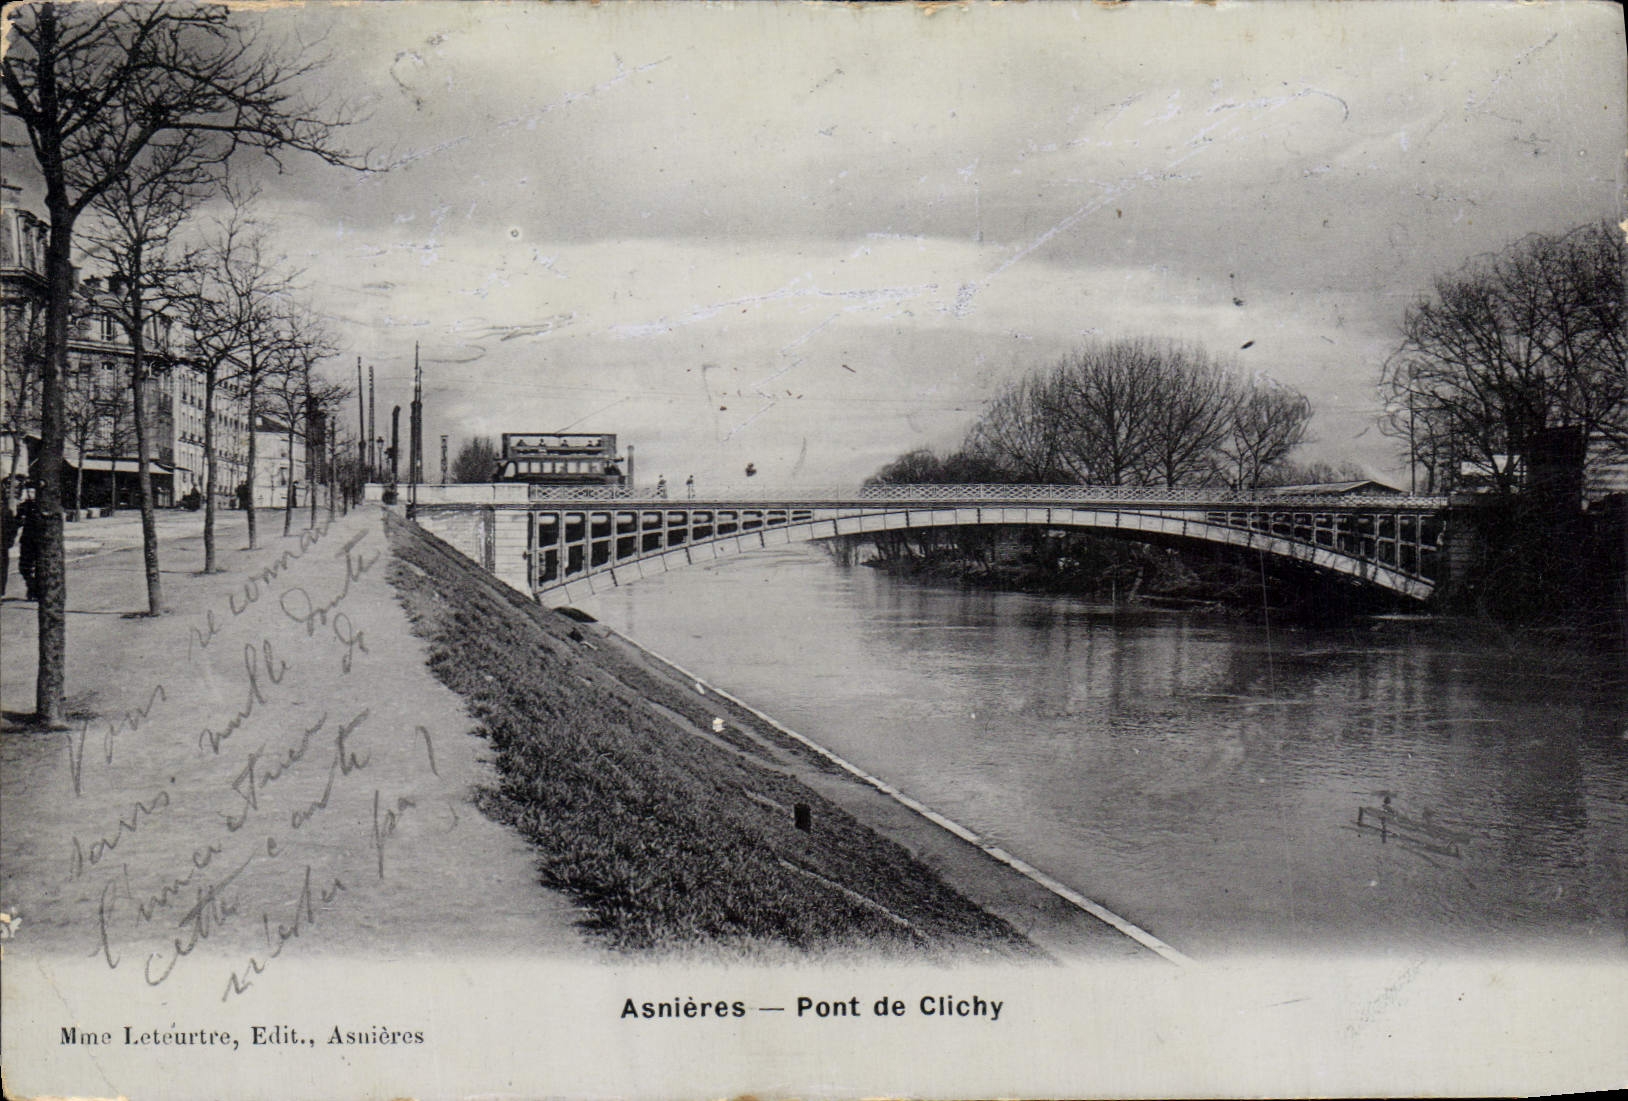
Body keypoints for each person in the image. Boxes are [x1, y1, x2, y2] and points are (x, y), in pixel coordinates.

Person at [16, 493, 42, 601]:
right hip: (27, 540)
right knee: (24, 567)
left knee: (40, 567)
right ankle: (32, 587)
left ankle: (35, 590)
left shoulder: (45, 504)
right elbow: (17, 520)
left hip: (41, 540)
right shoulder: (25, 505)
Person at [0, 488, 16, 598]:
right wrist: (9, 542)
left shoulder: (6, 512)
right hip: (3, 546)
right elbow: (12, 529)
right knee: (2, 570)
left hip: (2, 546)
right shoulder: (6, 511)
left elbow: (12, 529)